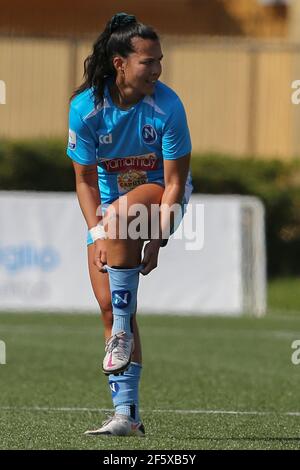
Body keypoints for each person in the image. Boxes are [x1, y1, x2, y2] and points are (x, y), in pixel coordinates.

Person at [67, 12, 192, 437]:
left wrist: (158, 239)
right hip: (107, 211)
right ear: (120, 63)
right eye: (148, 61)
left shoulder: (168, 106)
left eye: (160, 60)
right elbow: (84, 179)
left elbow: (175, 182)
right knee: (110, 306)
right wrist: (100, 231)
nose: (157, 69)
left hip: (160, 196)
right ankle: (127, 414)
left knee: (123, 215)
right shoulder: (86, 109)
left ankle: (121, 333)